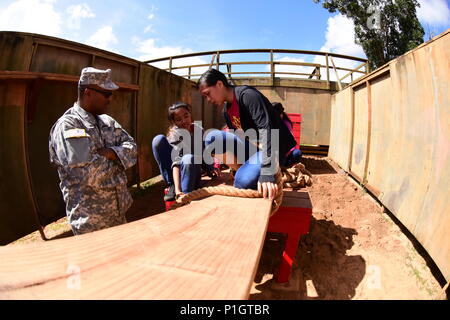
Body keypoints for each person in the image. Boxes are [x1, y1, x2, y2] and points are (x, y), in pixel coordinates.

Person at [49, 67, 138, 235]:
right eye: (106, 94)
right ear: (88, 92)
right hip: (91, 222)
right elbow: (88, 173)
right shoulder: (69, 125)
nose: (110, 99)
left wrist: (111, 153)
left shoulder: (107, 121)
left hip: (119, 213)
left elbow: (133, 149)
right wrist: (120, 161)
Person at [197, 68, 297, 200]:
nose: (208, 99)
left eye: (208, 94)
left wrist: (267, 172)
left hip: (273, 150)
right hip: (254, 150)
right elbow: (239, 139)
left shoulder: (248, 96)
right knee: (211, 138)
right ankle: (243, 171)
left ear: (219, 84)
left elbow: (268, 130)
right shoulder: (227, 111)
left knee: (242, 182)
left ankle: (249, 174)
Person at [152, 102, 220, 201]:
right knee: (158, 140)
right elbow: (176, 163)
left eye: (186, 116)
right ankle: (173, 185)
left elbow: (202, 152)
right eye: (179, 119)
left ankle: (188, 190)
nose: (184, 121)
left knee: (190, 158)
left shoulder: (198, 129)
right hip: (178, 170)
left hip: (192, 169)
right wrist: (178, 190)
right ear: (174, 122)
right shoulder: (174, 134)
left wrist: (210, 167)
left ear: (190, 114)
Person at [271, 102, 302, 167]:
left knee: (297, 153)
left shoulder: (286, 124)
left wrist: (284, 154)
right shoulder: (270, 123)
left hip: (285, 152)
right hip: (274, 152)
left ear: (281, 114)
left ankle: (286, 167)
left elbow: (291, 143)